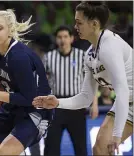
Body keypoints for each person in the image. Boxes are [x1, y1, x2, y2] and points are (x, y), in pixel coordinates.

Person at [33, 1, 133, 155]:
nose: (75, 27)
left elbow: (123, 92)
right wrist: (57, 102)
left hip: (126, 99)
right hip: (127, 103)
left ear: (94, 24)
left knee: (106, 146)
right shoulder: (89, 55)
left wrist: (117, 135)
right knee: (100, 148)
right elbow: (86, 98)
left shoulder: (109, 46)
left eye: (79, 22)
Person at [0, 9, 54, 155]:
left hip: (35, 111)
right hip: (11, 106)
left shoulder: (19, 57)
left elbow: (29, 99)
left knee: (3, 154)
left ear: (10, 31)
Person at [43, 25, 98, 156]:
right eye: (59, 37)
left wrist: (94, 104)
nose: (63, 40)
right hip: (55, 105)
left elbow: (92, 81)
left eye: (65, 37)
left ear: (72, 38)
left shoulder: (82, 56)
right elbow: (42, 82)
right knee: (51, 147)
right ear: (56, 40)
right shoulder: (49, 57)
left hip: (76, 105)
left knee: (80, 147)